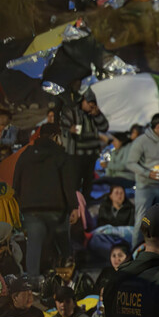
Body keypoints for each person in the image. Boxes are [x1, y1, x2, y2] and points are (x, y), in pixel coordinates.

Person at [12, 123, 78, 278]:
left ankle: (33, 282)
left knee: (34, 245)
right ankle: (67, 279)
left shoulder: (26, 154)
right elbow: (68, 184)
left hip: (31, 209)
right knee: (63, 243)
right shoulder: (61, 154)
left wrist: (21, 205)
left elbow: (16, 183)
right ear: (56, 136)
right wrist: (73, 206)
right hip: (56, 208)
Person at [128, 114, 159, 246]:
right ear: (158, 127)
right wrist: (147, 173)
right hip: (145, 187)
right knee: (142, 220)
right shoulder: (141, 141)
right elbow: (130, 163)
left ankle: (158, 250)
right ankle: (135, 251)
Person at [59, 88, 110, 197]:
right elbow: (63, 128)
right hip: (76, 154)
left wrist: (97, 115)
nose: (91, 106)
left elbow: (104, 127)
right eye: (89, 103)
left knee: (88, 182)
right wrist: (70, 130)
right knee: (75, 182)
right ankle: (74, 204)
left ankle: (86, 202)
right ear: (83, 101)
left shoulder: (94, 113)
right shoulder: (72, 112)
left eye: (93, 104)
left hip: (91, 154)